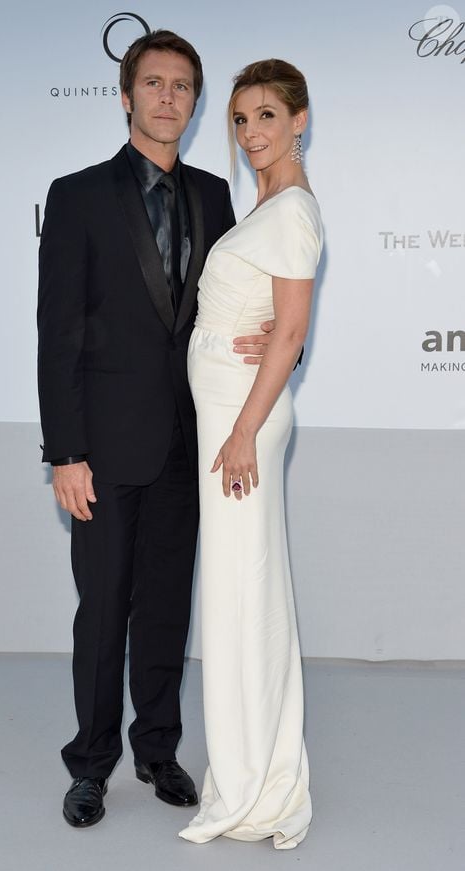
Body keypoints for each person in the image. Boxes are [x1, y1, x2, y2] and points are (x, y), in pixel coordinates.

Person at [37, 31, 274, 829]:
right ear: (127, 95)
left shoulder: (213, 196)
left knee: (167, 606)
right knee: (103, 608)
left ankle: (159, 749)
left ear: (195, 103)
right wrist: (65, 452)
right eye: (154, 83)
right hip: (102, 449)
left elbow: (228, 308)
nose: (168, 96)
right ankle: (92, 763)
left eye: (182, 86)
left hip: (187, 444)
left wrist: (275, 338)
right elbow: (58, 334)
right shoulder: (76, 195)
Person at [179, 59, 323, 849]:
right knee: (240, 593)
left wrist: (241, 427)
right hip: (231, 414)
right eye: (239, 119)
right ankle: (253, 768)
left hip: (245, 427)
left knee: (245, 594)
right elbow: (276, 320)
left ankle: (258, 783)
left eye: (266, 115)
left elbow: (292, 331)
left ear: (300, 120)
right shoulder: (261, 204)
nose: (250, 132)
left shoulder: (292, 208)